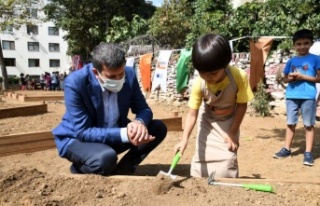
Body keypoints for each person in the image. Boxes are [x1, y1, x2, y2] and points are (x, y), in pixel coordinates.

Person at [52, 43, 167, 176]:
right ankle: (80, 168)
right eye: (112, 77)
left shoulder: (129, 74)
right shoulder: (75, 83)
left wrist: (139, 123)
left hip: (113, 134)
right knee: (105, 159)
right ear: (96, 73)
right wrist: (125, 134)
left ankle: (125, 168)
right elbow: (83, 131)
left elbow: (143, 109)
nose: (118, 79)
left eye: (121, 74)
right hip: (77, 139)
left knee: (157, 128)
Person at [173, 33, 254, 178]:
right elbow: (192, 113)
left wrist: (232, 132)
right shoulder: (199, 83)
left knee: (228, 159)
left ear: (225, 64)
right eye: (203, 73)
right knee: (201, 160)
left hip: (229, 121)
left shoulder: (239, 77)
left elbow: (242, 106)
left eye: (214, 73)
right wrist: (184, 139)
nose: (208, 78)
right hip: (207, 121)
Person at [273, 29, 320, 166]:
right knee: (290, 123)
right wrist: (291, 78)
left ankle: (308, 153)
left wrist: (302, 77)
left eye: (306, 43)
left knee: (309, 124)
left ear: (311, 43)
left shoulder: (316, 59)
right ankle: (287, 149)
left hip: (308, 96)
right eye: (299, 44)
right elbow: (286, 80)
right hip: (292, 95)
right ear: (294, 45)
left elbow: (319, 78)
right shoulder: (291, 61)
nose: (302, 46)